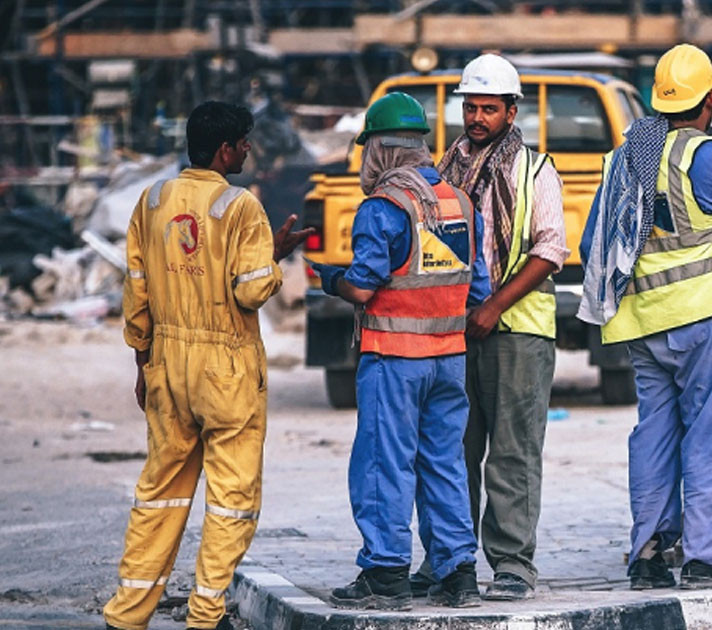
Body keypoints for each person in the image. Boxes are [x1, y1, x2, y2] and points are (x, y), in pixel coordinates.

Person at [577, 44, 712, 590]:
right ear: (710, 102)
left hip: (643, 322)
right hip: (706, 316)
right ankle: (705, 556)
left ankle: (649, 554)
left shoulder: (630, 155)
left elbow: (594, 240)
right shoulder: (711, 157)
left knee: (655, 434)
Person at [104, 101, 313, 630]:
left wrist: (141, 364)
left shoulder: (151, 201)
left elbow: (137, 290)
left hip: (166, 364)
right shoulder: (239, 206)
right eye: (243, 142)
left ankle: (127, 615)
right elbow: (249, 292)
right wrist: (275, 254)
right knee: (230, 502)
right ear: (224, 149)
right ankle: (205, 615)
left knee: (159, 494)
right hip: (225, 367)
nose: (247, 149)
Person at [309, 92, 490, 610]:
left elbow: (364, 288)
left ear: (383, 150)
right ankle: (458, 574)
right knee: (444, 463)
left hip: (393, 358)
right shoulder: (459, 202)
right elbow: (476, 290)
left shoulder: (382, 207)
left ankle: (386, 573)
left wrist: (332, 282)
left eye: (368, 150)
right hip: (449, 359)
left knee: (384, 464)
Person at [415, 53, 567, 602]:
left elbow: (550, 250)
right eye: (470, 107)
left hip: (516, 331)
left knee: (511, 450)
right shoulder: (443, 171)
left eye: (488, 108)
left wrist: (493, 306)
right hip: (453, 332)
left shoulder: (535, 168)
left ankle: (511, 564)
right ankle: (448, 560)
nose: (477, 118)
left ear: (510, 110)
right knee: (451, 450)